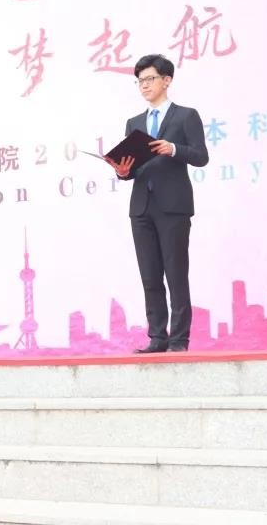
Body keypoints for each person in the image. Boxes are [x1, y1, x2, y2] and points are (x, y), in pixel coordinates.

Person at [105, 54, 209, 353]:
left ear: (167, 80)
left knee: (175, 274)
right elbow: (132, 167)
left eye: (149, 79)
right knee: (150, 276)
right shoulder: (134, 123)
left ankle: (179, 339)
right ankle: (157, 337)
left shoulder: (186, 116)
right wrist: (123, 171)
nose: (144, 86)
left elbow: (201, 156)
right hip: (141, 207)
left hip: (173, 206)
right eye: (139, 81)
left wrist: (173, 148)